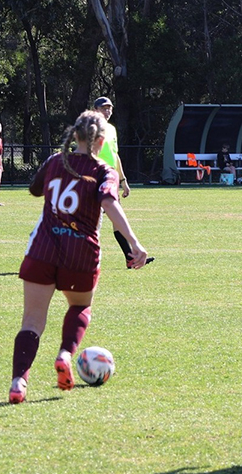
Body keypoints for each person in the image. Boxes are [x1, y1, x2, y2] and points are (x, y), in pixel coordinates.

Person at [9, 110, 148, 404]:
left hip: (42, 249)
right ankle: (64, 354)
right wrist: (134, 242)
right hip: (80, 252)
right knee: (81, 306)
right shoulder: (103, 170)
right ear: (100, 140)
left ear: (76, 136)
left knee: (32, 322)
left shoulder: (54, 162)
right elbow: (110, 203)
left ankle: (19, 382)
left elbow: (35, 190)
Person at [93, 96, 154, 268]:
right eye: (104, 108)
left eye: (110, 108)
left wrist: (123, 180)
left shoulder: (111, 129)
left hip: (110, 179)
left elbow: (115, 155)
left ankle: (130, 258)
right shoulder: (91, 128)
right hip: (95, 179)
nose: (107, 111)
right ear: (95, 109)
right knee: (91, 222)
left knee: (116, 220)